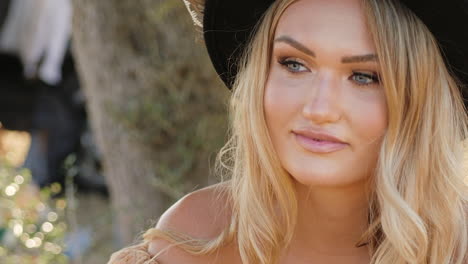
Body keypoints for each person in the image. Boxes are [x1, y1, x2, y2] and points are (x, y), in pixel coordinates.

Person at [108, 0, 468, 263]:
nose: (318, 108)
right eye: (294, 64)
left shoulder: (457, 246)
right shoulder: (195, 238)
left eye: (364, 77)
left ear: (421, 100)